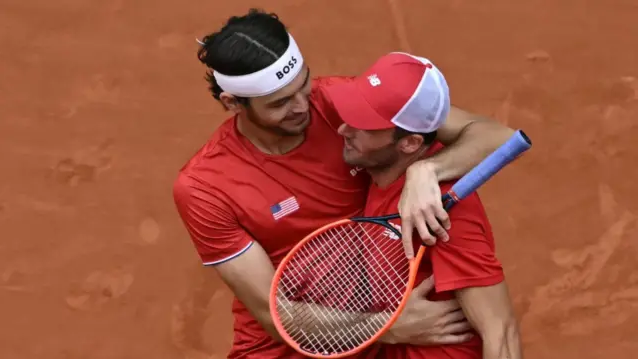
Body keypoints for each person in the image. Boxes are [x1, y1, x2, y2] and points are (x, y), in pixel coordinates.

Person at [173, 8, 516, 359]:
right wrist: (388, 325)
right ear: (233, 103)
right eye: (280, 103)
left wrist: (426, 171)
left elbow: (497, 138)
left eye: (304, 84)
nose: (303, 106)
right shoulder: (205, 187)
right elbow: (272, 314)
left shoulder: (343, 105)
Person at [326, 51, 523, 358]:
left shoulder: (440, 212)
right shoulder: (382, 174)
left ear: (410, 143)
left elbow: (501, 331)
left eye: (363, 126)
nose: (343, 130)